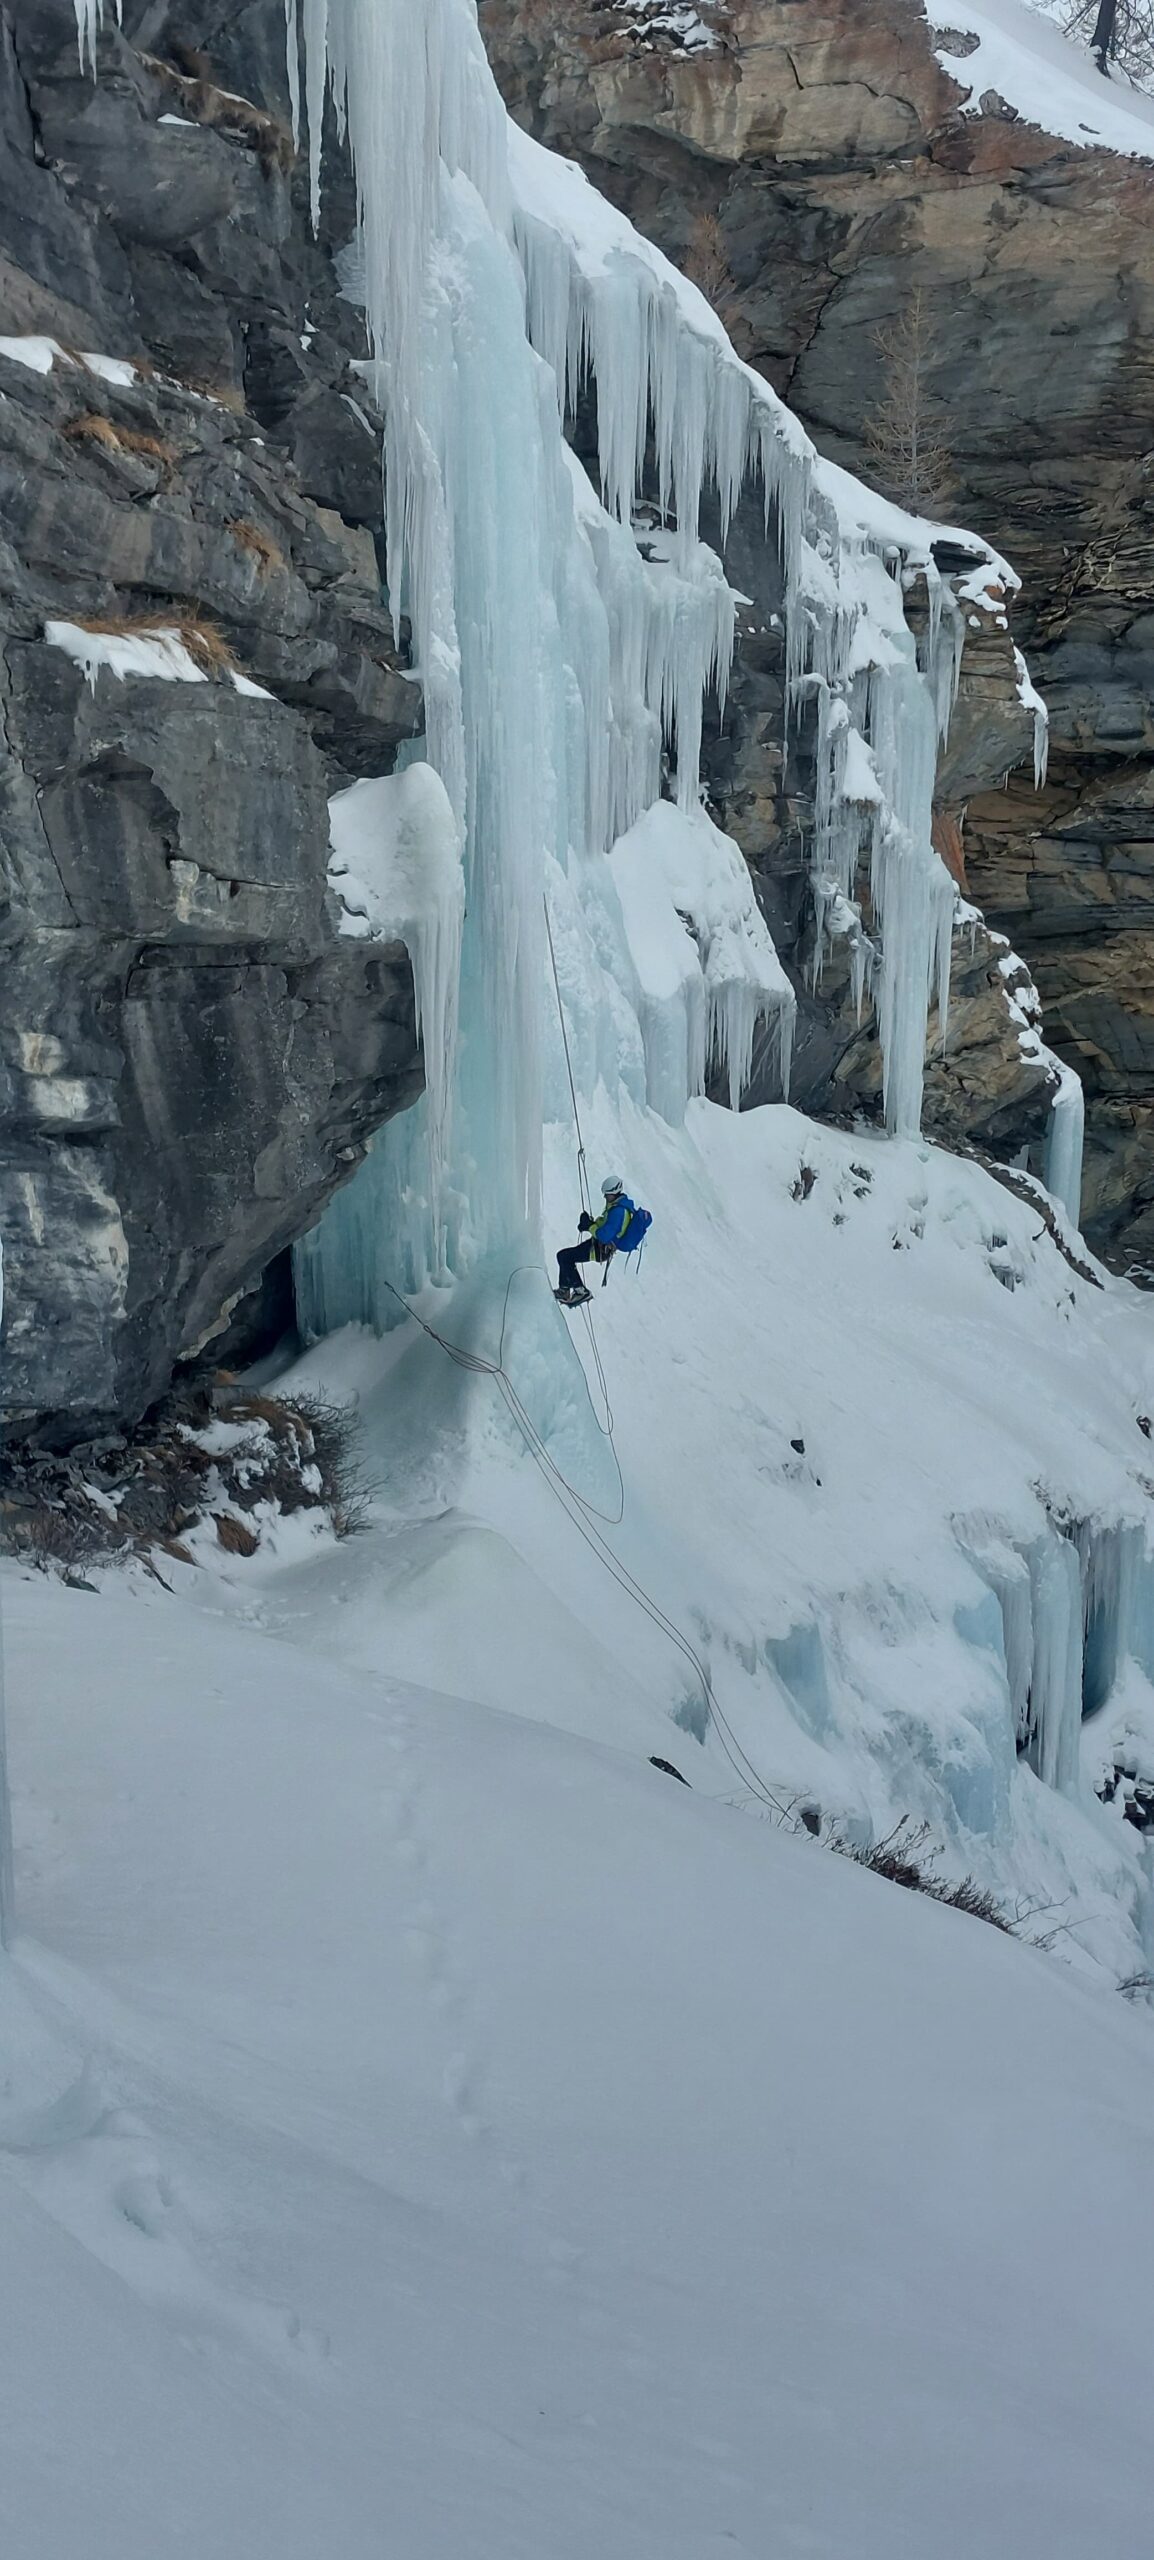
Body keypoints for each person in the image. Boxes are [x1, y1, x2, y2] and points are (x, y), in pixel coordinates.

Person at [555, 1174, 640, 1306]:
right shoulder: (619, 1207)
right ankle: (565, 1290)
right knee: (565, 1256)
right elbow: (606, 1226)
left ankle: (579, 1291)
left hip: (600, 1248)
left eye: (607, 1194)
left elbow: (604, 1235)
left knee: (565, 1257)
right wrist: (590, 1223)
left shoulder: (618, 1211)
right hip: (599, 1246)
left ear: (615, 1193)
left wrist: (589, 1226)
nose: (605, 1197)